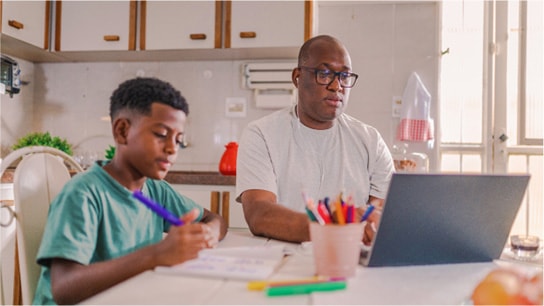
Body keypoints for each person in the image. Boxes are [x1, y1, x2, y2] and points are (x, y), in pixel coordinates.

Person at [33, 77, 227, 305]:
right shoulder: (83, 194)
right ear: (123, 131)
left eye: (178, 139)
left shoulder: (156, 190)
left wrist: (209, 233)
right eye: (161, 134)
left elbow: (212, 218)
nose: (172, 148)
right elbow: (64, 289)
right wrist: (158, 254)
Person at [236, 35, 394, 244]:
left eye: (345, 76)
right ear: (297, 77)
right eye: (325, 73)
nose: (337, 86)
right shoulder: (261, 134)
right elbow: (259, 215)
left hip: (347, 261)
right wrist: (333, 228)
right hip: (280, 261)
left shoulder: (370, 141)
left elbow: (383, 215)